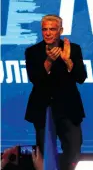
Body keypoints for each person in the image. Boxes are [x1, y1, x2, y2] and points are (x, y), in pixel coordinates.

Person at [24, 14, 87, 170]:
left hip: (69, 109)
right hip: (42, 110)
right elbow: (35, 79)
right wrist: (49, 61)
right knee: (44, 155)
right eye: (45, 29)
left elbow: (81, 77)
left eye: (52, 29)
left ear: (61, 30)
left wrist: (67, 60)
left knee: (74, 154)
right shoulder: (33, 52)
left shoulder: (73, 49)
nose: (48, 33)